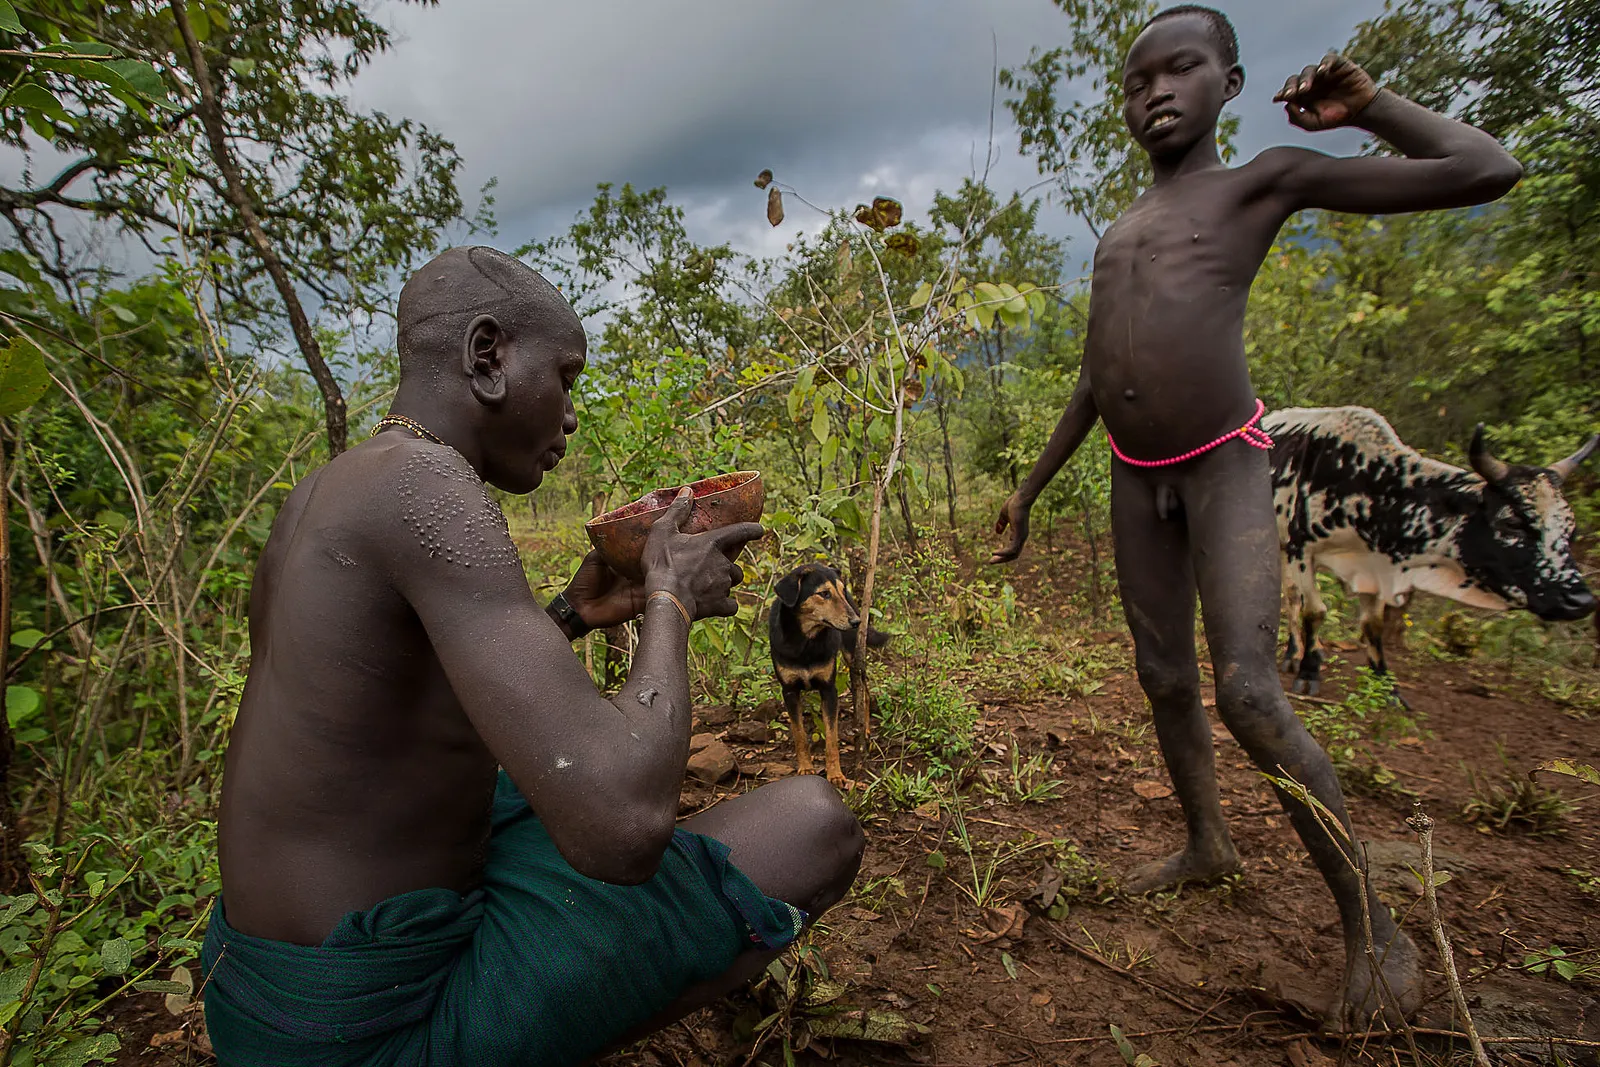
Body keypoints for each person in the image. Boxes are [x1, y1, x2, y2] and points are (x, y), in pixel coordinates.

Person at [200, 246, 864, 1066]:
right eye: (567, 376)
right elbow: (623, 830)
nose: (573, 413)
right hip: (362, 1032)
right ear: (488, 357)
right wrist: (669, 599)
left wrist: (574, 613)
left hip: (260, 990)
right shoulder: (427, 486)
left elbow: (403, 714)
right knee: (815, 825)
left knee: (527, 779)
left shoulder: (332, 485)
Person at [990, 4, 1520, 1024]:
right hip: (1130, 473)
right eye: (1137, 80)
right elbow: (1099, 377)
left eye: (1179, 70)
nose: (1155, 91)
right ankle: (1205, 842)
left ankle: (1374, 923)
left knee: (1249, 691)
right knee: (1161, 676)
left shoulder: (1261, 181)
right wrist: (1029, 484)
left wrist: (1372, 109)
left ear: (1228, 85)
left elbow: (1484, 167)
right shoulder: (1117, 234)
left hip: (1225, 463)